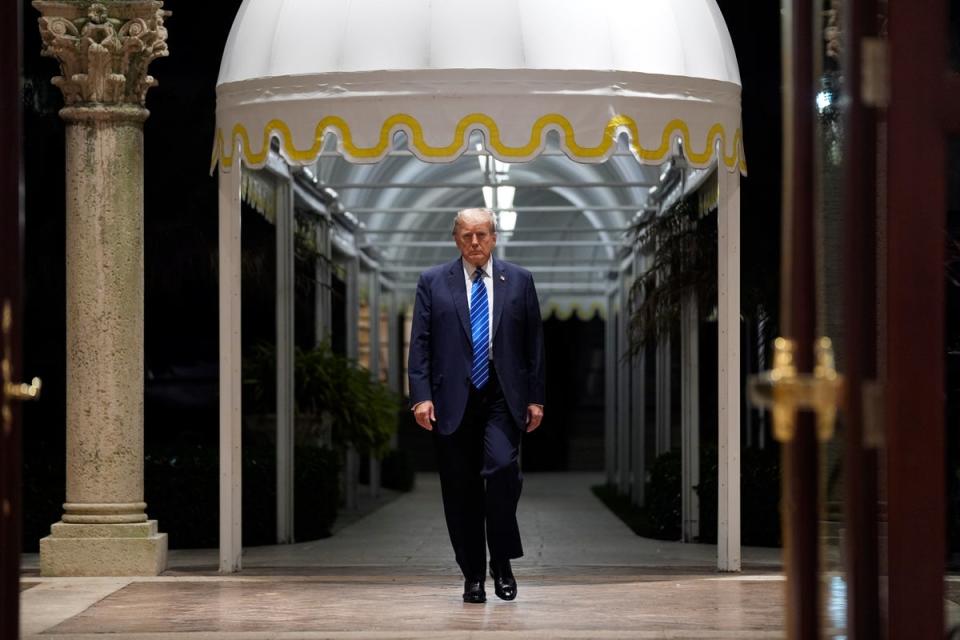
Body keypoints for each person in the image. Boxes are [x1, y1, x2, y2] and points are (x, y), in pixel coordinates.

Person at [408, 207, 545, 604]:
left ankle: (500, 558)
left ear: (494, 237)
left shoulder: (519, 281)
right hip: (453, 398)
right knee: (461, 490)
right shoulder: (433, 282)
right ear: (455, 239)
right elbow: (420, 342)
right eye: (467, 235)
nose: (474, 242)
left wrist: (536, 397)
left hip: (503, 396)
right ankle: (473, 575)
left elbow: (533, 345)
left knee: (503, 470)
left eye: (482, 234)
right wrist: (420, 395)